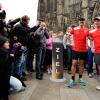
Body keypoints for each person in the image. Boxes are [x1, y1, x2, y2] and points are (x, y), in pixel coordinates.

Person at [68, 18, 89, 88]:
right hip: (75, 49)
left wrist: (90, 45)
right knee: (74, 63)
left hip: (83, 50)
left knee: (82, 64)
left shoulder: (87, 30)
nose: (81, 22)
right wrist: (71, 43)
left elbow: (90, 38)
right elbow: (68, 35)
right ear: (78, 22)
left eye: (82, 21)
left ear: (84, 22)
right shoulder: (74, 29)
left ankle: (80, 78)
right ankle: (72, 79)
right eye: (80, 21)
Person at [89, 17, 100, 91]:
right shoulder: (92, 32)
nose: (97, 22)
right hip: (97, 51)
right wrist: (92, 47)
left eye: (98, 21)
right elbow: (91, 40)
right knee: (99, 67)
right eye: (95, 21)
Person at [0, 36, 11, 100]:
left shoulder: (6, 51)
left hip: (7, 77)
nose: (8, 44)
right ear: (1, 44)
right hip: (3, 80)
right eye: (6, 42)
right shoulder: (3, 53)